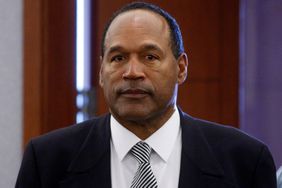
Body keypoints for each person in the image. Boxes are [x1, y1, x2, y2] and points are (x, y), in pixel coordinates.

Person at [16, 2, 277, 188]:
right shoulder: (48, 160)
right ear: (100, 71)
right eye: (118, 58)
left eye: (149, 57)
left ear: (181, 68)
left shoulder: (244, 161)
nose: (132, 72)